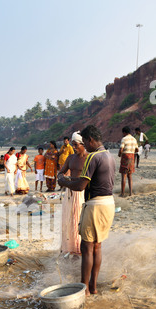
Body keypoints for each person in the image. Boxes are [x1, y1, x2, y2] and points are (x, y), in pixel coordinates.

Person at [58, 125, 116, 296]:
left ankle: (84, 289)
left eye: (84, 142)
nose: (83, 145)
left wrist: (65, 182)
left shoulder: (93, 157)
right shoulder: (109, 156)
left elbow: (81, 185)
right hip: (109, 204)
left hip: (95, 205)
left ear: (90, 140)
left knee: (87, 247)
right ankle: (94, 286)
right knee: (97, 246)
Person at [58, 132, 88, 255]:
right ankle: (70, 247)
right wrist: (62, 178)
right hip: (70, 193)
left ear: (83, 144)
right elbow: (61, 172)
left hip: (82, 193)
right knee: (69, 220)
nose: (74, 147)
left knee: (80, 221)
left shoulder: (89, 158)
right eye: (73, 145)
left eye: (76, 145)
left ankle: (80, 247)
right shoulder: (70, 158)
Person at [118, 126, 139, 197]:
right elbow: (137, 150)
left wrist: (119, 154)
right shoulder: (134, 139)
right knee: (130, 176)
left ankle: (122, 193)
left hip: (125, 157)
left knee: (123, 175)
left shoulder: (124, 139)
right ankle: (130, 193)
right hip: (132, 157)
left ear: (124, 132)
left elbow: (121, 149)